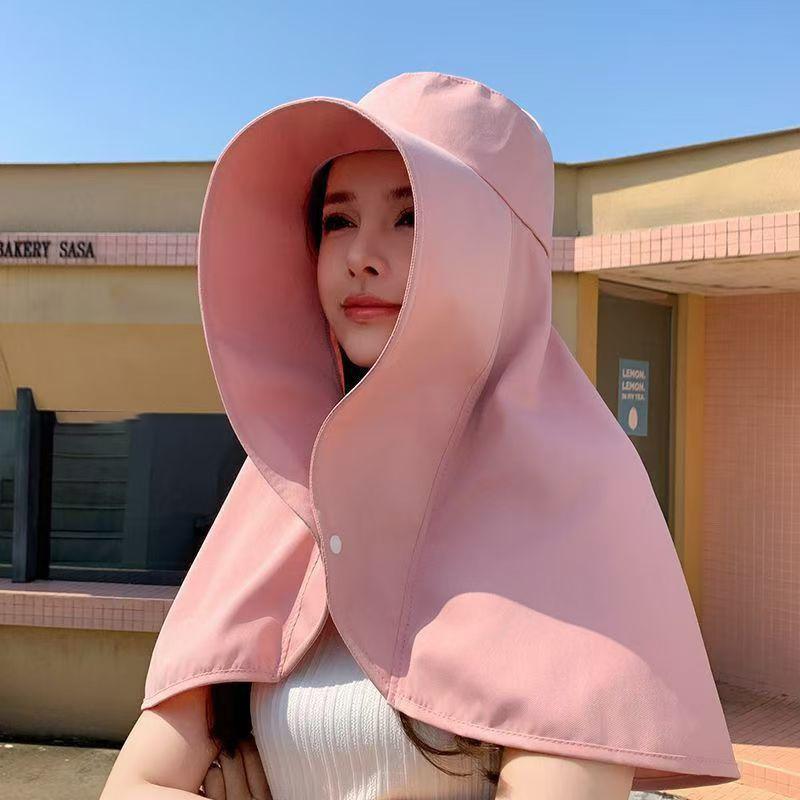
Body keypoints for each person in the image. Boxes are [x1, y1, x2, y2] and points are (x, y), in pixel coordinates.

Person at [100, 71, 739, 799]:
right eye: (337, 221)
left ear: (499, 257)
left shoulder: (586, 500)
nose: (360, 255)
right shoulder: (282, 486)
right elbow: (131, 787)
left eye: (411, 218)